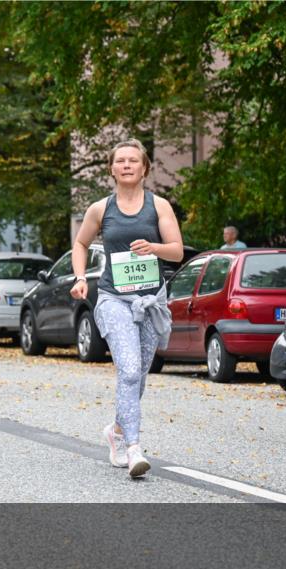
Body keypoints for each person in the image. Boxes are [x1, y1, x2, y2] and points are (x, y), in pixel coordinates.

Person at [70, 138, 183, 478]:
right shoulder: (100, 209)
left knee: (139, 376)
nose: (127, 165)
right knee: (130, 371)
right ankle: (133, 448)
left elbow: (177, 251)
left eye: (133, 160)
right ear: (112, 169)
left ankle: (116, 431)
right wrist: (80, 277)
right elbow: (81, 243)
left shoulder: (158, 206)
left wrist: (154, 248)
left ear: (144, 168)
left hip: (151, 301)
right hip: (114, 299)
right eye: (120, 160)